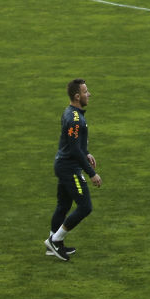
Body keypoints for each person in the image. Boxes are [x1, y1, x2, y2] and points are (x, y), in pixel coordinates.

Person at [44, 78, 102, 260]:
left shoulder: (71, 112)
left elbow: (75, 145)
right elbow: (74, 149)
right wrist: (91, 173)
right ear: (77, 96)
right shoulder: (74, 119)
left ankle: (53, 245)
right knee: (85, 206)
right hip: (69, 168)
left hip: (64, 164)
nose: (89, 94)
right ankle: (55, 240)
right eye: (86, 92)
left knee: (64, 205)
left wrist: (87, 152)